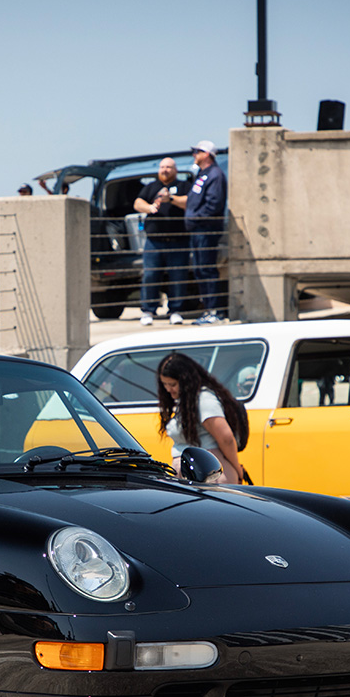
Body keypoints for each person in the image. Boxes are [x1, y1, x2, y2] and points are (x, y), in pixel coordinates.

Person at [156, 352, 247, 484]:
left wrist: (238, 469)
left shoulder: (203, 399)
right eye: (165, 384)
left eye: (173, 384)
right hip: (198, 475)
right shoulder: (185, 402)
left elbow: (226, 438)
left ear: (186, 381)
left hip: (210, 476)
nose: (168, 389)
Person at [174, 141, 227, 324]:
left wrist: (196, 217)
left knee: (207, 269)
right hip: (197, 230)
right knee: (199, 270)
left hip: (206, 229)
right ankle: (208, 310)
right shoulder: (201, 174)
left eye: (197, 152)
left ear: (207, 154)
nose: (194, 155)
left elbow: (214, 204)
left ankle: (215, 312)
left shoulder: (215, 175)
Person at [133, 157, 189, 326]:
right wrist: (149, 208)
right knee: (150, 275)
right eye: (162, 167)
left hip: (178, 241)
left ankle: (175, 311)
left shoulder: (184, 186)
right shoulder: (151, 187)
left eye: (169, 167)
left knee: (178, 276)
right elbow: (137, 203)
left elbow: (190, 203)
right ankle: (148, 311)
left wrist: (171, 199)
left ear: (175, 170)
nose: (165, 170)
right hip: (154, 241)